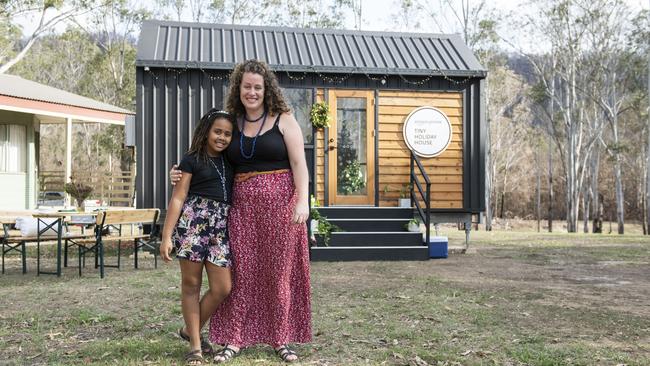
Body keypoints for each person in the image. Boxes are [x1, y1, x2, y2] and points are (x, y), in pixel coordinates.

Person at [170, 59, 311, 363]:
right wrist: (179, 171)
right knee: (242, 275)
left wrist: (303, 201)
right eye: (246, 86)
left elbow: (299, 163)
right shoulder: (232, 121)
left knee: (279, 274)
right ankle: (234, 338)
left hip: (281, 207)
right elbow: (208, 150)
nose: (252, 92)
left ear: (266, 89)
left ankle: (281, 338)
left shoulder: (284, 119)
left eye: (257, 87)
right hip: (241, 209)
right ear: (239, 88)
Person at [160, 109, 236, 366]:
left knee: (222, 287)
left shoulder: (231, 160)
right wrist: (166, 235)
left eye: (227, 133)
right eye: (218, 132)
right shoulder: (191, 159)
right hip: (193, 224)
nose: (222, 138)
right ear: (206, 132)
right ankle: (195, 346)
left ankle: (187, 329)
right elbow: (178, 197)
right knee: (191, 285)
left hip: (220, 227)